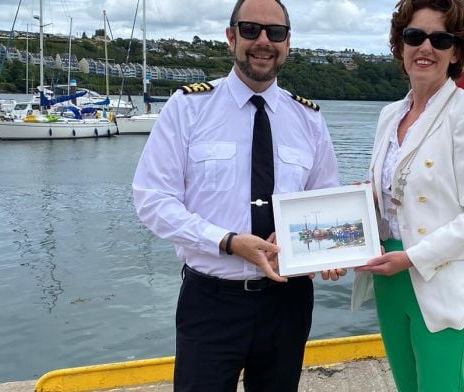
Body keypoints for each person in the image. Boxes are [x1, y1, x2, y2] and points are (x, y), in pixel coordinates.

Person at [132, 0, 343, 391]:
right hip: (211, 301)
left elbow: (324, 201)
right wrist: (227, 242)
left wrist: (322, 248)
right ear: (231, 37)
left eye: (275, 33)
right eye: (251, 30)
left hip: (288, 299)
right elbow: (152, 199)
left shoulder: (308, 119)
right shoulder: (188, 107)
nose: (263, 41)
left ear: (287, 43)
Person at [352, 1, 464, 391]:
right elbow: (388, 194)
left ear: (456, 52)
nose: (425, 47)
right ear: (400, 45)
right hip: (390, 277)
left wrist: (412, 257)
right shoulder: (390, 114)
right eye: (414, 36)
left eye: (439, 39)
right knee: (407, 386)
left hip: (443, 278)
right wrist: (358, 207)